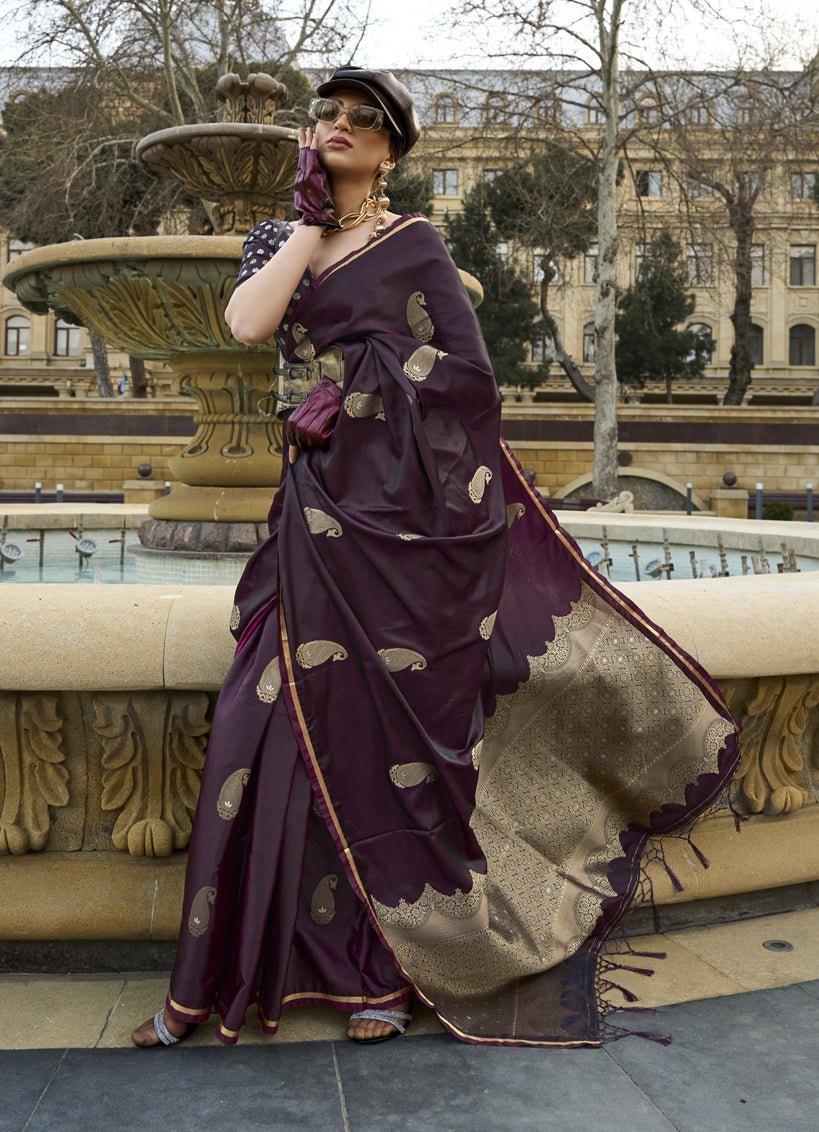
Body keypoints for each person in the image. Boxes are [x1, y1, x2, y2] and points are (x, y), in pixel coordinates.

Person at [133, 68, 739, 1051]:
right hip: (320, 518)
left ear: (390, 149)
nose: (335, 127)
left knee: (395, 753)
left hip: (407, 529)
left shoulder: (414, 243)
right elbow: (247, 327)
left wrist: (377, 393)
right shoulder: (280, 241)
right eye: (323, 115)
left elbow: (465, 388)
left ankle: (382, 970)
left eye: (358, 120)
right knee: (267, 725)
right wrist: (303, 224)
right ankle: (230, 967)